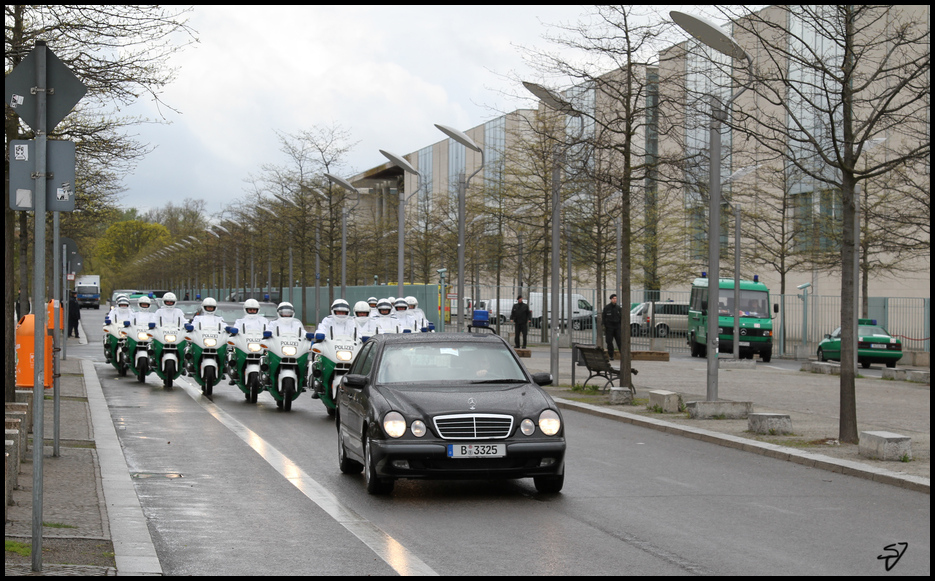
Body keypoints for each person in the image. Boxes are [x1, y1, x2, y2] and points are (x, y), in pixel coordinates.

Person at [602, 294, 623, 360]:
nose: (615, 300)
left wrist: (620, 326)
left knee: (619, 341)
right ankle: (611, 355)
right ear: (611, 299)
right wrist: (604, 326)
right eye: (613, 298)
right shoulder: (607, 308)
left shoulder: (618, 308)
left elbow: (621, 317)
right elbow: (604, 317)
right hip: (609, 327)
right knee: (609, 342)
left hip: (617, 327)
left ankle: (622, 355)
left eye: (615, 298)